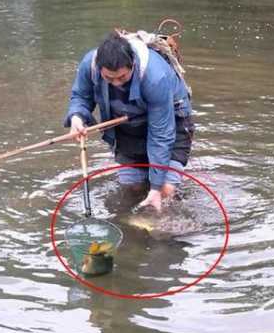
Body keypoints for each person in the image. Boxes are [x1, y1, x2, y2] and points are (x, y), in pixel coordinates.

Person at [64, 30, 194, 212]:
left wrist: (156, 188)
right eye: (109, 78)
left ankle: (167, 227)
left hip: (171, 122)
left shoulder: (155, 77)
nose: (116, 83)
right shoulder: (89, 65)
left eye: (122, 77)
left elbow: (161, 136)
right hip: (126, 126)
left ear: (133, 65)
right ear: (99, 68)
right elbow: (80, 96)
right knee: (132, 188)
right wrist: (77, 117)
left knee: (165, 191)